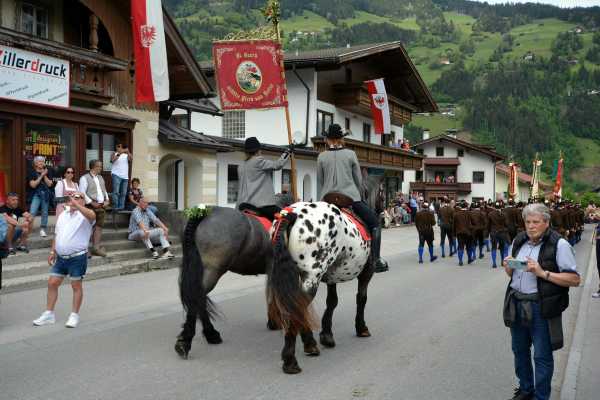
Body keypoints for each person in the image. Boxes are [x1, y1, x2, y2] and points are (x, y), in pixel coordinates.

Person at [502, 203, 580, 400]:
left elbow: (574, 279)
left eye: (535, 222)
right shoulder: (519, 240)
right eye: (527, 222)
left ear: (546, 223)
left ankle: (541, 396)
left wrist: (542, 273)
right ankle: (526, 388)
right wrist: (509, 266)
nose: (530, 226)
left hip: (541, 307)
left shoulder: (559, 244)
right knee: (519, 351)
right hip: (517, 303)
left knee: (542, 356)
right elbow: (511, 275)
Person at [317, 123, 388, 273]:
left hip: (327, 199)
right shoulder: (351, 154)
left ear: (327, 139)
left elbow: (320, 181)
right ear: (342, 139)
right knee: (375, 224)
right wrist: (360, 193)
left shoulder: (321, 156)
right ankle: (376, 260)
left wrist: (322, 197)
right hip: (349, 198)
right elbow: (358, 181)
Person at [33, 192, 96, 328]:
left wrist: (77, 206)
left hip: (77, 257)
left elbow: (92, 216)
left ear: (83, 201)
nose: (72, 199)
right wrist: (52, 251)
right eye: (71, 197)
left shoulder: (85, 215)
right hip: (61, 257)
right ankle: (49, 314)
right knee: (52, 283)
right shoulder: (63, 215)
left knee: (76, 286)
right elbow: (57, 235)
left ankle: (74, 315)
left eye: (77, 197)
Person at [236, 137, 290, 220]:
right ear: (258, 150)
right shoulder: (258, 161)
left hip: (243, 205)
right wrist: (288, 152)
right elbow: (277, 165)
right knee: (290, 216)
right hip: (263, 206)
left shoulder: (241, 166)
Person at [79, 160, 109, 257]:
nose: (100, 168)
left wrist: (107, 200)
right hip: (90, 206)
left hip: (101, 206)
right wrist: (91, 202)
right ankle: (85, 249)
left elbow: (104, 190)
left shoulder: (101, 178)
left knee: (99, 227)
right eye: (99, 166)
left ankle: (96, 248)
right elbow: (82, 193)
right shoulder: (84, 178)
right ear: (93, 167)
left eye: (100, 166)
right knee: (87, 228)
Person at [28, 156, 53, 237]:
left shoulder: (48, 172)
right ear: (35, 163)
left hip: (45, 194)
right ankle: (28, 229)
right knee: (32, 211)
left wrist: (45, 175)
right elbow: (33, 185)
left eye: (42, 161)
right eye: (39, 161)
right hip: (36, 194)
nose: (41, 163)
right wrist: (41, 175)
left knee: (45, 212)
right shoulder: (32, 172)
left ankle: (43, 229)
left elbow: (49, 184)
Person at [488, 201, 510, 269]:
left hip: (493, 232)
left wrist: (489, 232)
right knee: (502, 248)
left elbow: (488, 225)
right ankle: (502, 261)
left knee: (494, 247)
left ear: (494, 206)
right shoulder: (504, 214)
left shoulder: (490, 214)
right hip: (502, 232)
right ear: (501, 207)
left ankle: (494, 263)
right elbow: (506, 224)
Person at [110, 142, 132, 211]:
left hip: (125, 176)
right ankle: (115, 207)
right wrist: (119, 154)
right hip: (116, 174)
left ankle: (121, 207)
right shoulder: (114, 153)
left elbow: (131, 159)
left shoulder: (126, 155)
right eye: (118, 146)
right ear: (116, 147)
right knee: (116, 192)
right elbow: (112, 161)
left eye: (122, 146)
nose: (120, 148)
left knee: (123, 193)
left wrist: (128, 152)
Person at [453, 201, 474, 266]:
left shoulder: (456, 214)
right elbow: (473, 222)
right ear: (466, 206)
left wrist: (454, 234)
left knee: (460, 247)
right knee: (469, 247)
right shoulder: (470, 213)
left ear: (461, 207)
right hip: (468, 233)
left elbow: (454, 225)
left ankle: (460, 261)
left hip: (459, 233)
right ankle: (469, 259)